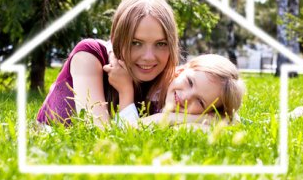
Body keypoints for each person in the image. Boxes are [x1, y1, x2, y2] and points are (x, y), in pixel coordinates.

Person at [36, 0, 179, 129]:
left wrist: (180, 118)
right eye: (135, 43)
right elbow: (98, 132)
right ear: (115, 38)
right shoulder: (89, 57)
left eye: (161, 44)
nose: (148, 57)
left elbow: (198, 128)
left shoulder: (174, 84)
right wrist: (126, 92)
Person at [103, 54, 246, 128]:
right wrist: (126, 91)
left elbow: (233, 120)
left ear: (209, 112)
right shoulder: (149, 74)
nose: (186, 97)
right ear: (182, 70)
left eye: (200, 102)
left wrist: (172, 118)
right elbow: (125, 131)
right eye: (190, 82)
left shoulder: (180, 116)